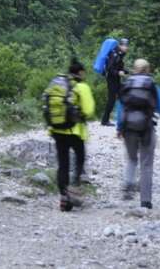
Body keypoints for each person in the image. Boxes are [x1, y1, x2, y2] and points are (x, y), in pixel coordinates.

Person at [116, 59, 160, 209]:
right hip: (147, 127)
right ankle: (145, 201)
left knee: (131, 158)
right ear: (148, 70)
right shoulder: (152, 85)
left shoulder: (126, 85)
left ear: (134, 69)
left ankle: (128, 183)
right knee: (146, 164)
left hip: (128, 127)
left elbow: (120, 108)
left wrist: (118, 128)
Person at [50, 59, 96, 211]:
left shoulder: (58, 83)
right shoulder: (81, 86)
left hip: (57, 130)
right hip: (75, 131)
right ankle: (74, 191)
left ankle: (64, 197)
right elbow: (89, 110)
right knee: (79, 161)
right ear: (81, 72)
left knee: (63, 165)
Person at [101, 38, 129, 126]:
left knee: (122, 96)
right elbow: (109, 69)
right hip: (111, 79)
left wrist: (126, 71)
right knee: (111, 100)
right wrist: (118, 72)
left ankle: (124, 118)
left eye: (127, 45)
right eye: (125, 45)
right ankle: (105, 120)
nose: (126, 47)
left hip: (116, 79)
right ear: (120, 45)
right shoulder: (114, 54)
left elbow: (119, 66)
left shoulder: (120, 54)